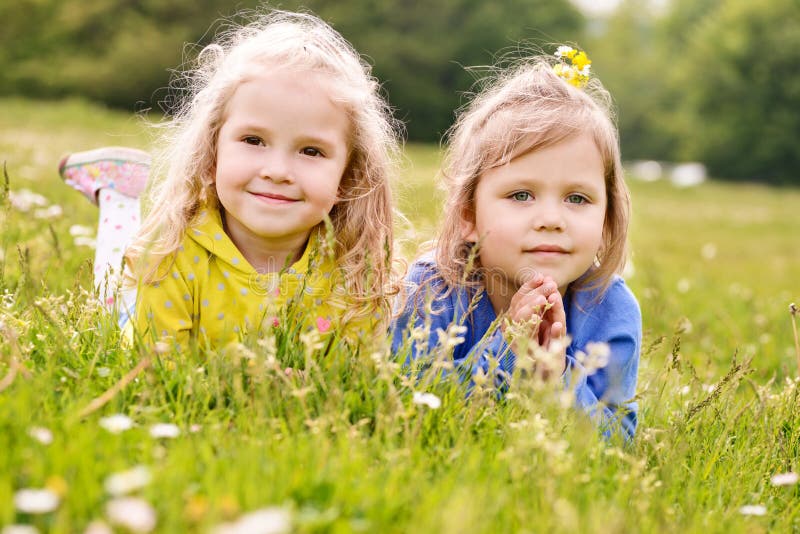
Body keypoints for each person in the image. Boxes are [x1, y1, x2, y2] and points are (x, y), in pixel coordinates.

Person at [59, 9, 401, 349]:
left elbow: (350, 377)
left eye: (311, 151)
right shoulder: (167, 257)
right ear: (211, 156)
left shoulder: (356, 271)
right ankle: (117, 198)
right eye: (254, 141)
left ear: (349, 178)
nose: (277, 171)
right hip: (140, 299)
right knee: (114, 293)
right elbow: (159, 370)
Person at [391, 48, 641, 439]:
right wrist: (506, 353)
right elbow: (410, 411)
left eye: (577, 198)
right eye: (522, 195)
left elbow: (616, 443)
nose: (551, 220)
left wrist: (556, 381)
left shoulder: (609, 306)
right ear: (468, 215)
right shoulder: (431, 291)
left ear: (607, 218)